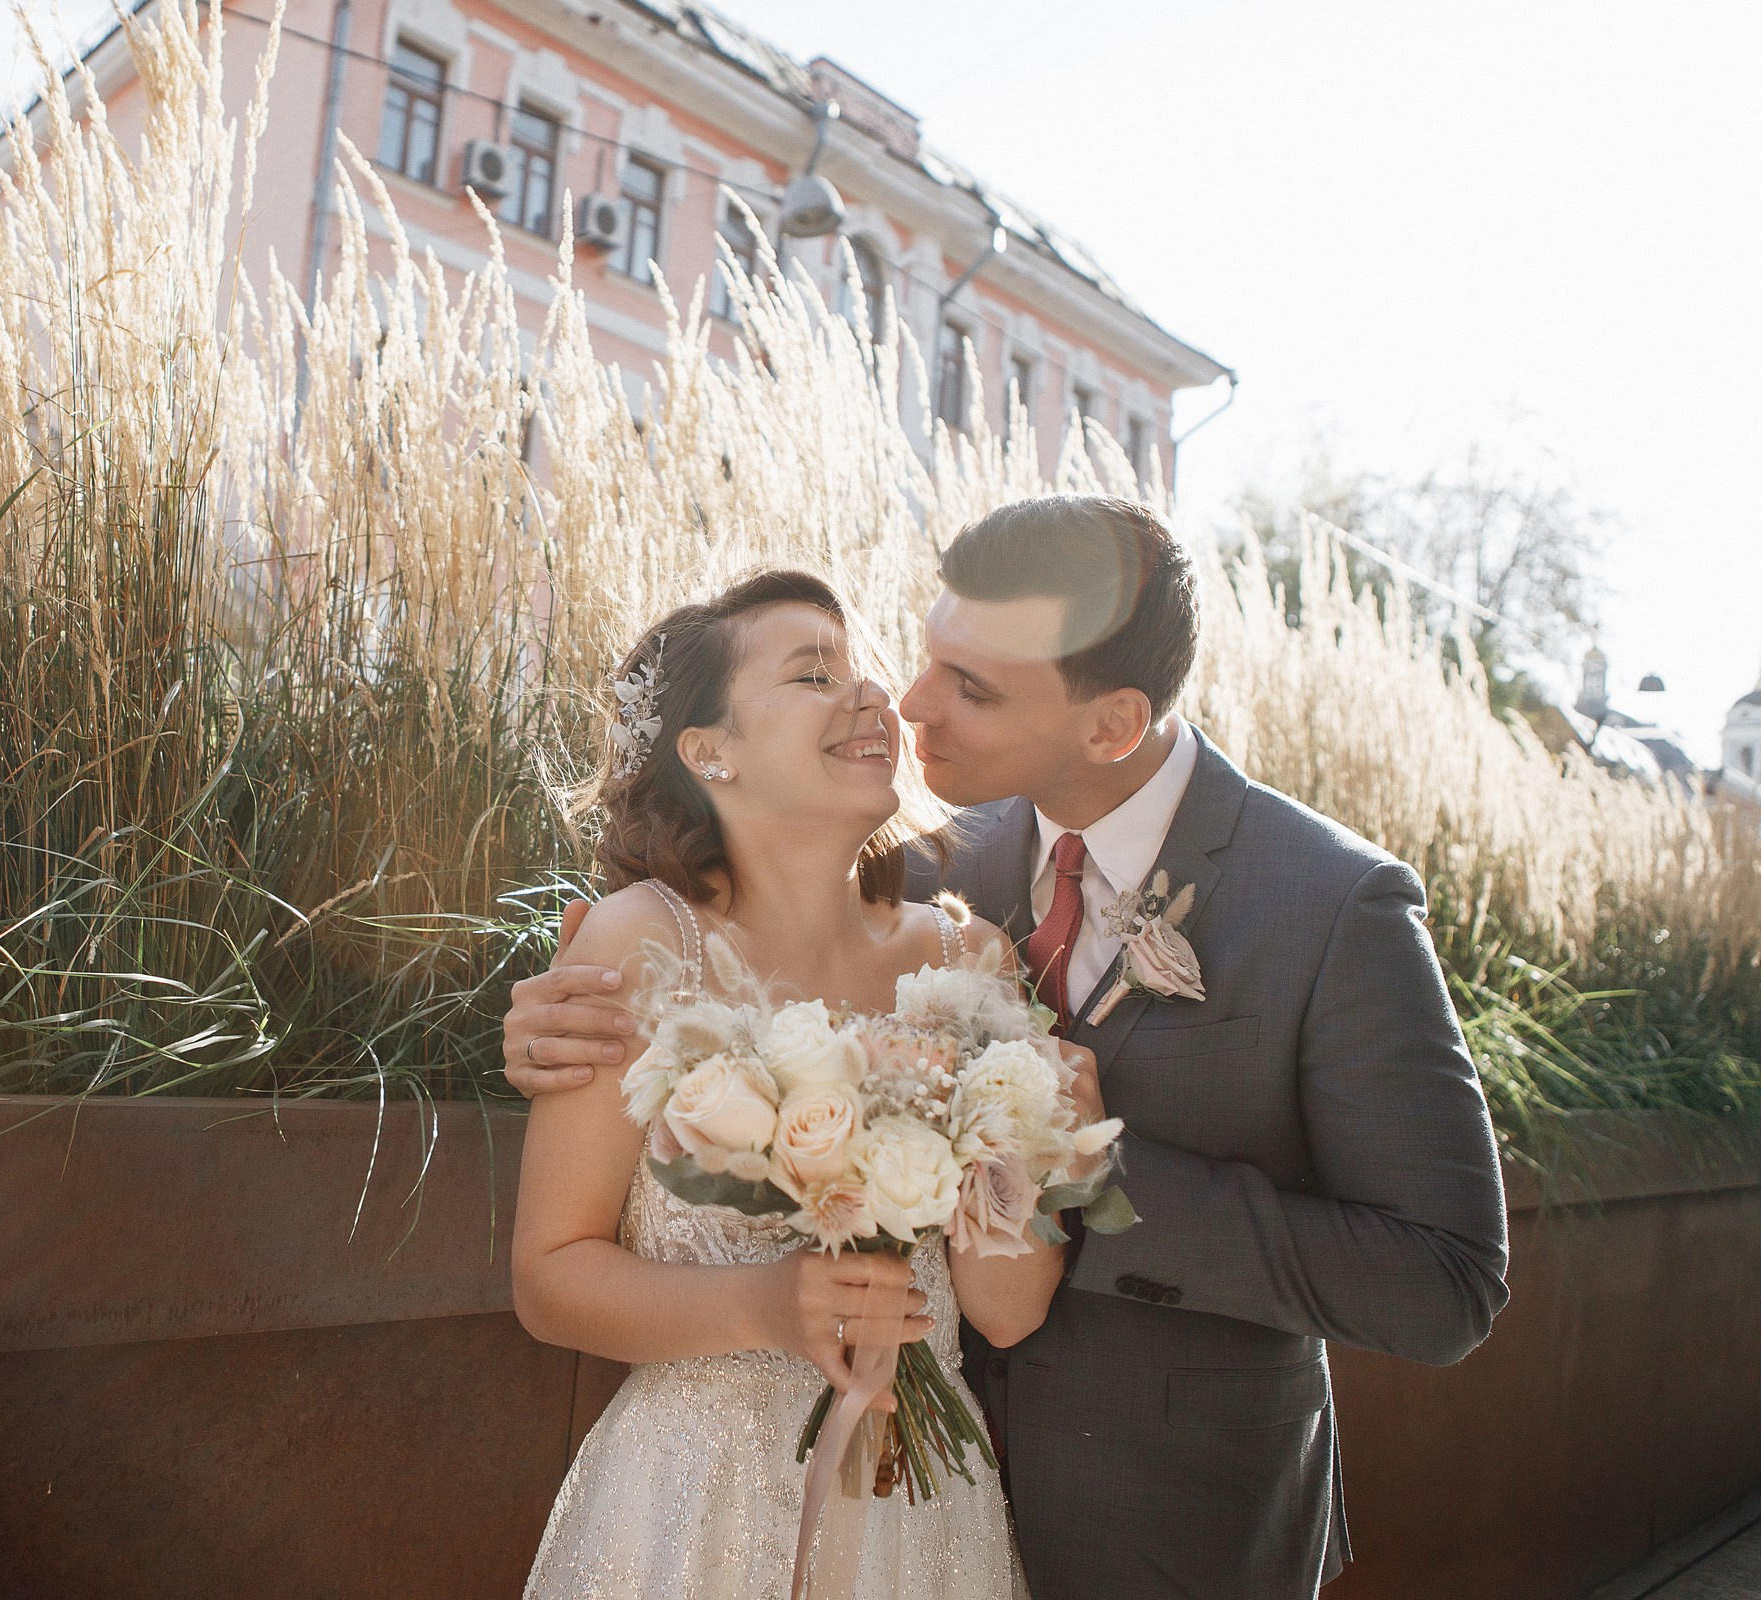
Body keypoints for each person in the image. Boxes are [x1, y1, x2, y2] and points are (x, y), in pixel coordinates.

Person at [507, 497, 1511, 1600]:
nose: (905, 701)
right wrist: (550, 1027)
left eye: (971, 687)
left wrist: (1082, 1165)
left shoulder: (1331, 905)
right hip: (733, 1507)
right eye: (926, 655)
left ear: (1111, 725)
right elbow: (747, 912)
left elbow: (1446, 1281)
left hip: (1162, 1524)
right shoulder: (940, 860)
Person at [516, 568, 1095, 1598]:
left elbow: (1005, 1310)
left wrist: (1043, 1145)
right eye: (814, 674)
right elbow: (549, 1277)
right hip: (694, 1507)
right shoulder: (641, 943)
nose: (871, 696)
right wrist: (761, 1306)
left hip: (919, 1507)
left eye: (862, 671)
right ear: (712, 752)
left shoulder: (968, 960)